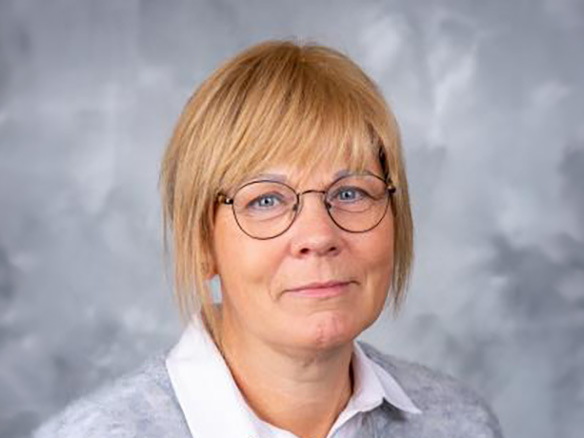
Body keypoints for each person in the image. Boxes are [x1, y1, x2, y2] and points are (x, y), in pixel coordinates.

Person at [35, 40, 504, 438]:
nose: (318, 236)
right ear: (202, 242)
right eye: (266, 200)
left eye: (350, 192)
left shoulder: (460, 423)